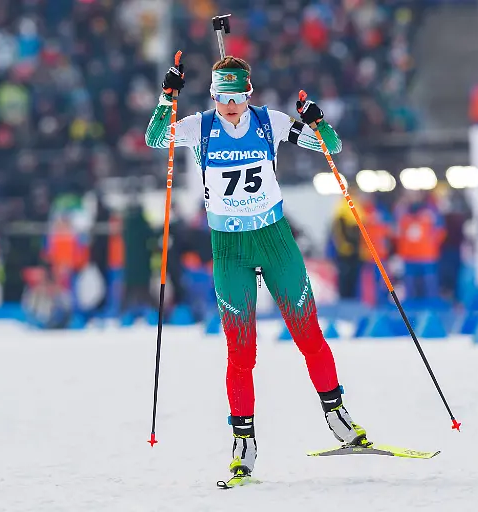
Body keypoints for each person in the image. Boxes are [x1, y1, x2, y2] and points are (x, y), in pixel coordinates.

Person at [144, 56, 368, 480]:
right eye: (224, 97)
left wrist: (317, 120)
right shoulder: (199, 126)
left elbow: (331, 148)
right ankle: (243, 442)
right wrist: (166, 97)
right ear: (213, 95)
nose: (231, 106)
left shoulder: (272, 122)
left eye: (239, 97)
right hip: (229, 249)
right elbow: (156, 138)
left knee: (309, 334)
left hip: (275, 240)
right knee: (241, 350)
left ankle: (337, 416)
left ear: (250, 94)